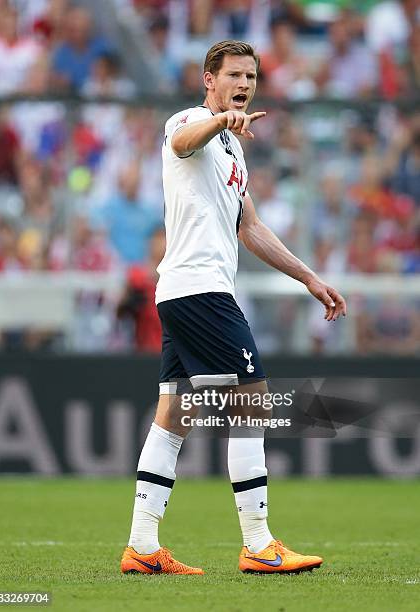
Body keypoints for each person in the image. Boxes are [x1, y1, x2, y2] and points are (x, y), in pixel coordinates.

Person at [120, 40, 347, 576]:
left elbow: (251, 228)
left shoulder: (234, 151)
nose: (244, 85)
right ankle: (258, 542)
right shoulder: (194, 122)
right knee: (253, 398)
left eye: (251, 77)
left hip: (185, 290)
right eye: (235, 76)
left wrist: (309, 277)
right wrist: (220, 120)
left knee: (173, 417)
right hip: (199, 290)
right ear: (209, 79)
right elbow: (180, 142)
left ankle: (142, 547)